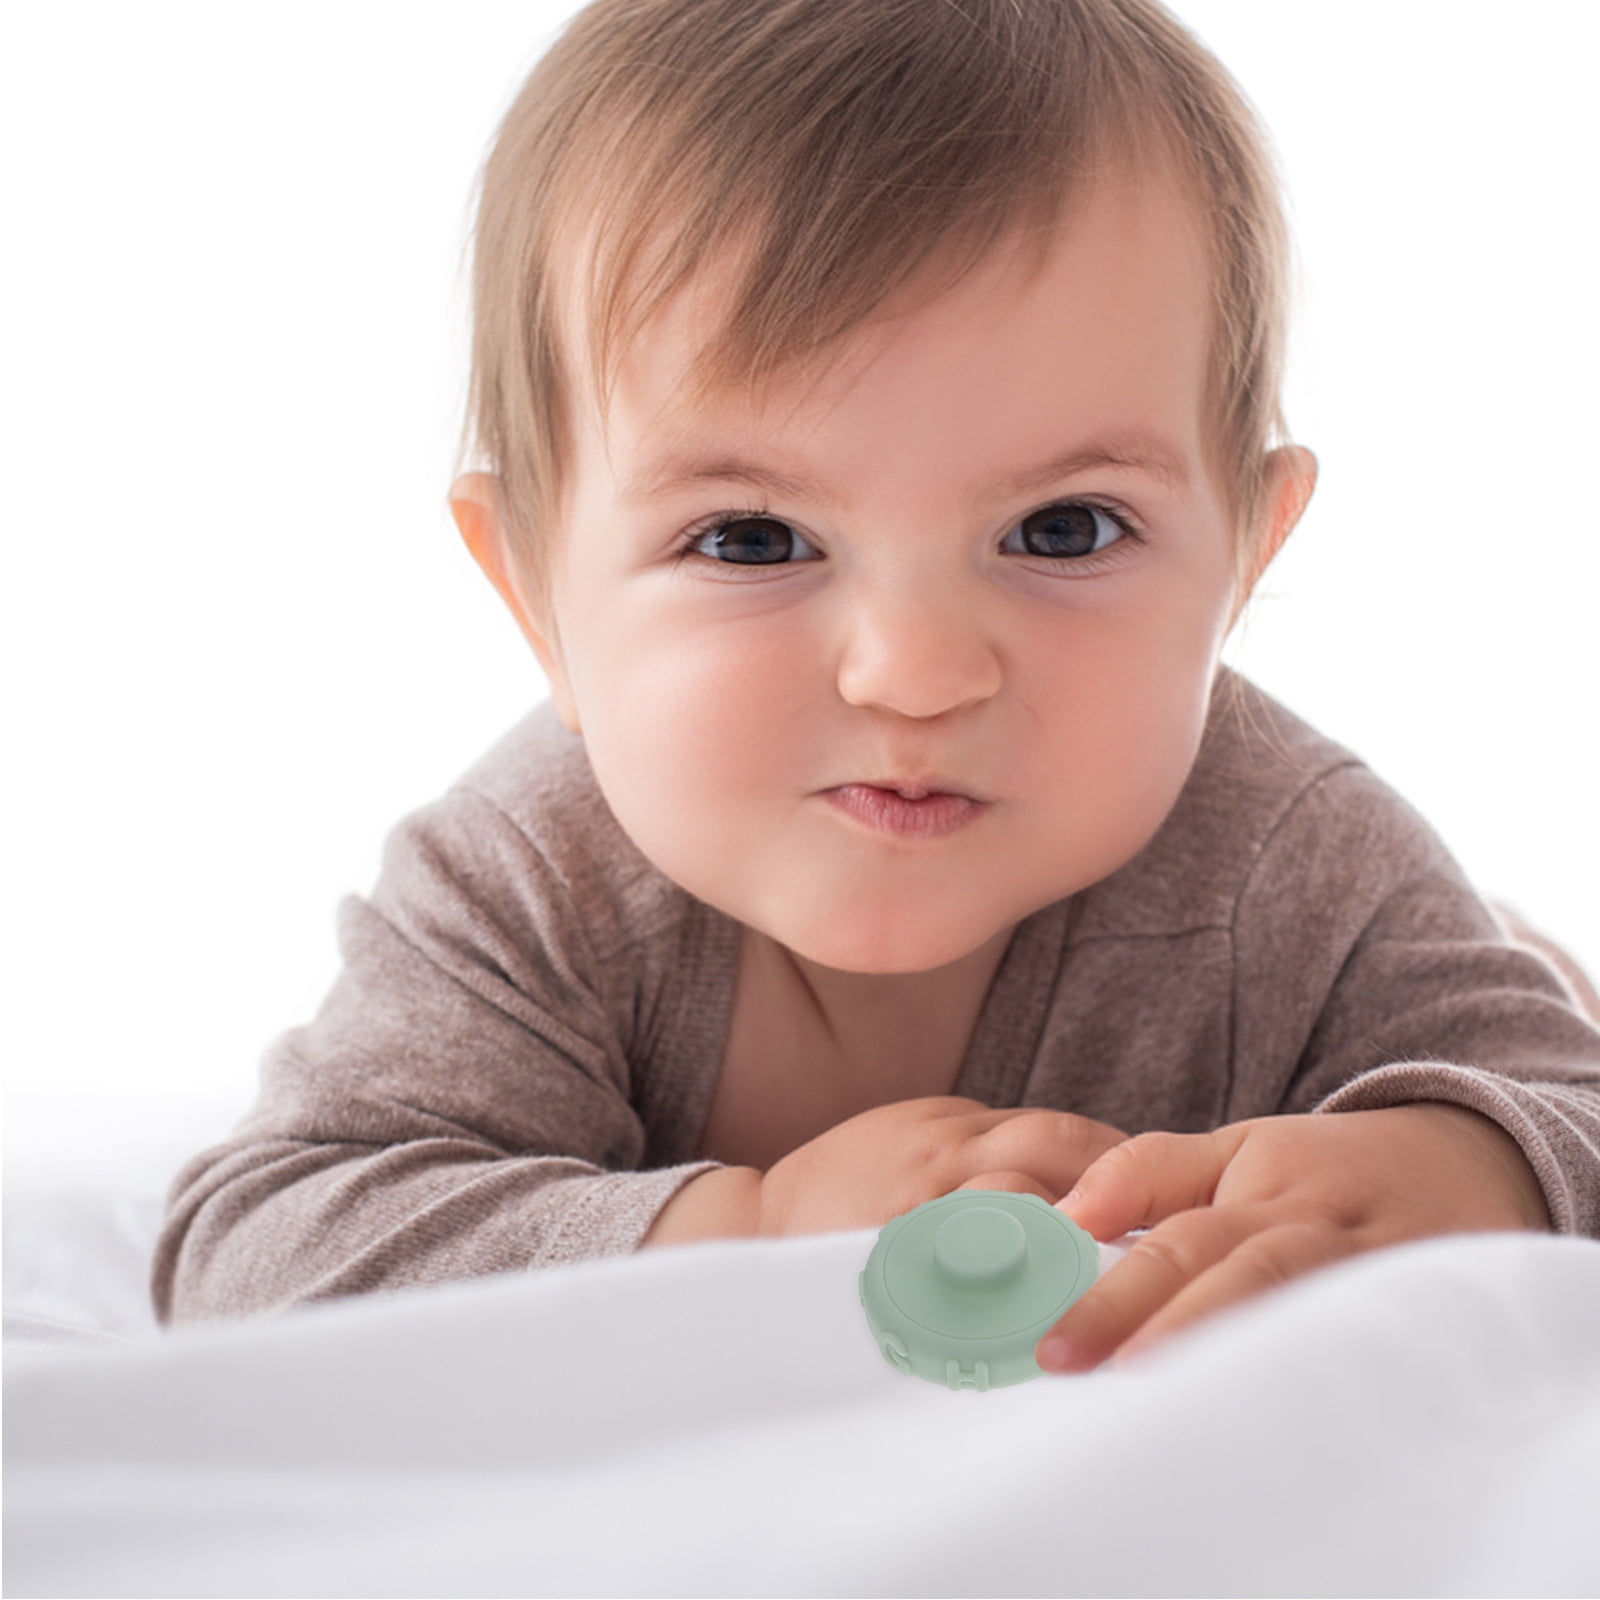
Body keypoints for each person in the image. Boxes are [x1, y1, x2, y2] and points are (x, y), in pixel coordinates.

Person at [152, 0, 1600, 1373]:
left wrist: (1466, 1164)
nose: (912, 673)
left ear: (1244, 554)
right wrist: (739, 1229)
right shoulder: (535, 885)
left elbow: (1571, 1114)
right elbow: (253, 1253)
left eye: (1062, 530)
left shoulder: (1299, 862)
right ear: (534, 596)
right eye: (753, 539)